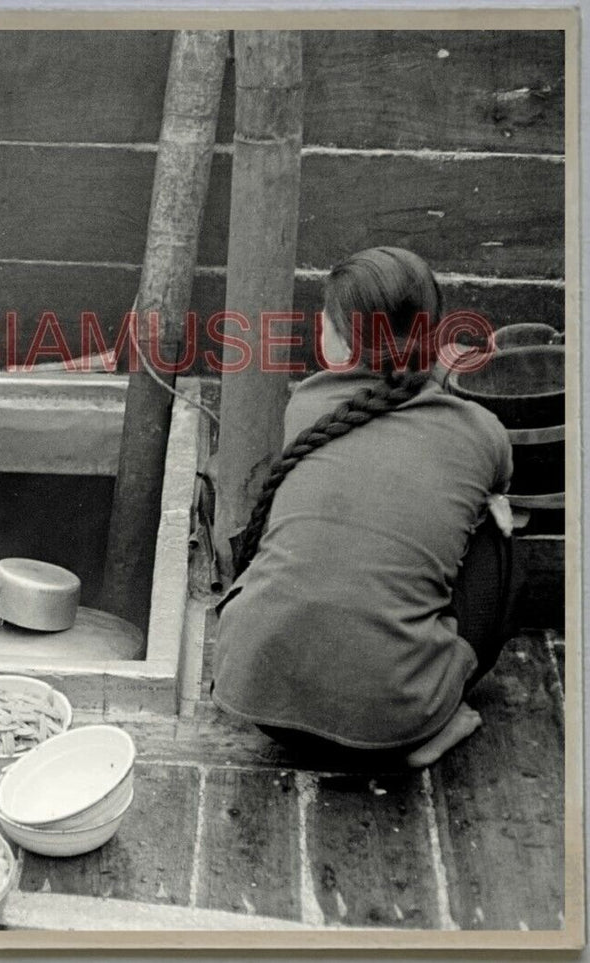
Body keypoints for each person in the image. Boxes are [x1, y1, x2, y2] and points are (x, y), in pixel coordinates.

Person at [212, 247, 515, 770]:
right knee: (499, 532)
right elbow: (492, 495)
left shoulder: (305, 405)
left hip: (257, 699)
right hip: (392, 725)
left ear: (338, 338)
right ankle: (432, 731)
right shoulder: (482, 432)